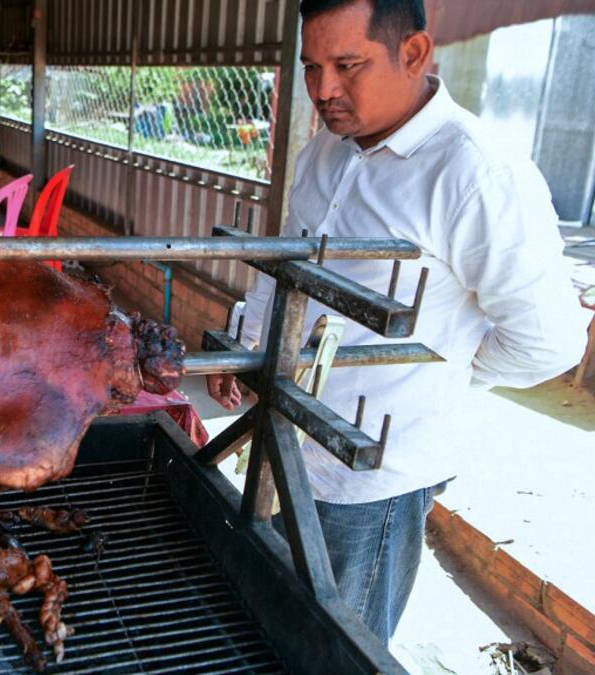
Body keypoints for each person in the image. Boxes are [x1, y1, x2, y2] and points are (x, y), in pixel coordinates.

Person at [205, 0, 588, 645]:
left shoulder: (476, 174)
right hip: (285, 439)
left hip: (370, 481)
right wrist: (248, 345)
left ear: (412, 54)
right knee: (271, 617)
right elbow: (290, 258)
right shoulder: (327, 150)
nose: (324, 90)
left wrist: (437, 372)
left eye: (348, 65)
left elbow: (547, 340)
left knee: (338, 646)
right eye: (312, 67)